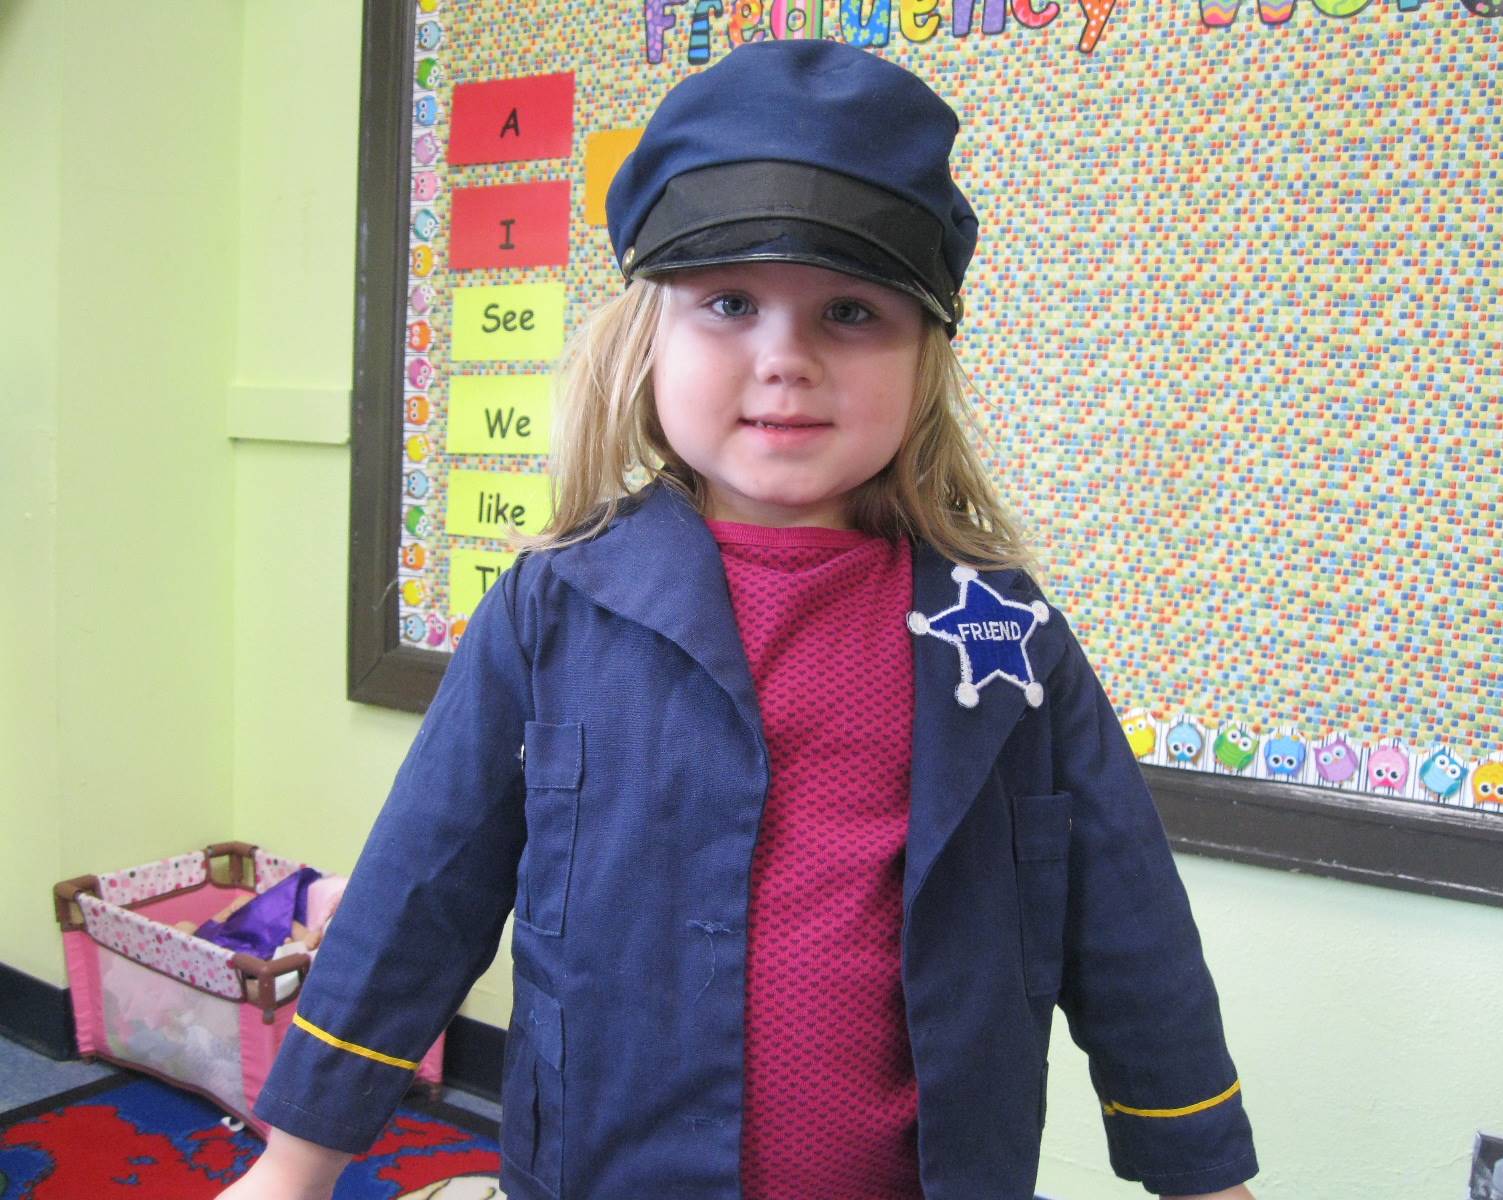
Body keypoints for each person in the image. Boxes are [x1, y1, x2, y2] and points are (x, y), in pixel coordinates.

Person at [218, 38, 1259, 1200]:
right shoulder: (554, 607)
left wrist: (1206, 1180)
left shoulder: (1003, 638)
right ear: (647, 336)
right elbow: (423, 889)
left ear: (926, 358)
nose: (786, 360)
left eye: (852, 311)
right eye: (727, 302)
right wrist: (291, 1172)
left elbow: (1127, 931)